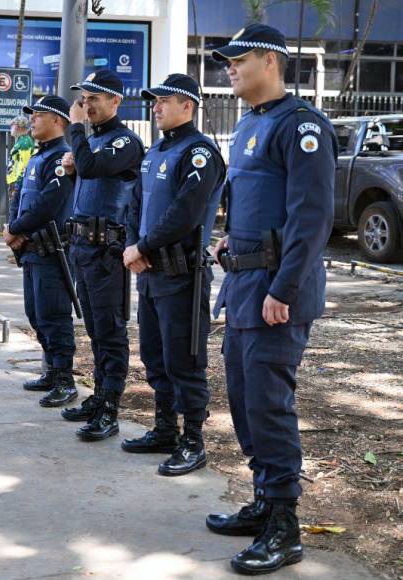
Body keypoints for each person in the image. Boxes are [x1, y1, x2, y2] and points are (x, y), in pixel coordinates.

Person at [206, 25, 338, 575]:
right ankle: (264, 500)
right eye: (227, 62)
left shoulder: (302, 125)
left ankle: (284, 525)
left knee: (268, 405)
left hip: (276, 295)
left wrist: (283, 289)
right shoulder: (252, 124)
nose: (228, 69)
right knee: (243, 400)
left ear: (270, 62)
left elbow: (311, 218)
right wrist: (228, 240)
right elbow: (255, 201)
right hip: (244, 288)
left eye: (238, 61)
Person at [121, 74, 225, 476]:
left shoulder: (199, 152)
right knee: (154, 356)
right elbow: (134, 206)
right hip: (150, 274)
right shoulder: (154, 152)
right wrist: (134, 247)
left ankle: (193, 441)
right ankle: (164, 430)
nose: (156, 106)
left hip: (182, 276)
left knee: (185, 361)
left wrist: (141, 247)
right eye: (154, 101)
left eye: (165, 100)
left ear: (188, 105)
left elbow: (185, 213)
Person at [60, 69, 145, 441]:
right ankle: (98, 396)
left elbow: (93, 169)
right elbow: (85, 177)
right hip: (82, 248)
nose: (85, 104)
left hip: (107, 250)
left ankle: (110, 407)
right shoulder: (92, 143)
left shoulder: (124, 141)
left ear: (115, 101)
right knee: (94, 330)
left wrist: (75, 131)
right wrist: (71, 161)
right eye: (84, 98)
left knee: (110, 332)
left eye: (94, 98)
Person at [4, 95, 77, 408]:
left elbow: (48, 204)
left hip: (51, 250)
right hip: (31, 250)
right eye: (31, 115)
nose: (31, 120)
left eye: (38, 115)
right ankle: (50, 372)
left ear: (58, 120)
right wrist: (12, 229)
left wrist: (17, 229)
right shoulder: (37, 156)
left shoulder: (61, 158)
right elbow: (20, 196)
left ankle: (65, 379)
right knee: (36, 314)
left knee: (54, 315)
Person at [6, 116, 34, 204]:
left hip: (18, 183)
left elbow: (24, 165)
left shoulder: (25, 142)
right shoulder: (21, 141)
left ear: (18, 127)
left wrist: (18, 184)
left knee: (15, 210)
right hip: (14, 182)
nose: (11, 128)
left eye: (12, 125)